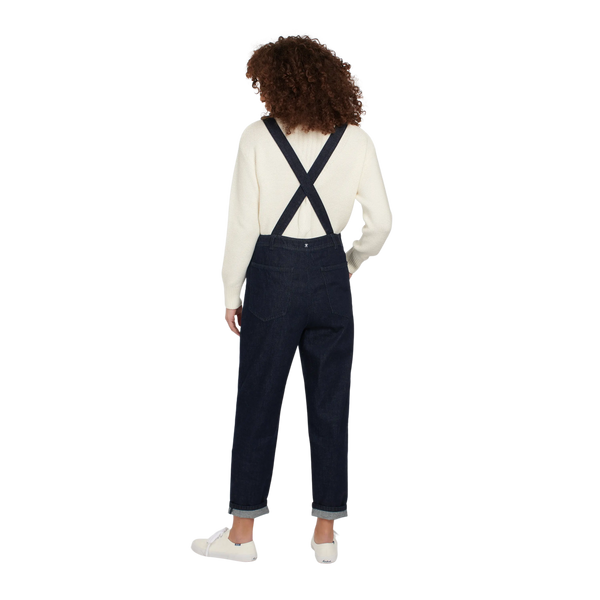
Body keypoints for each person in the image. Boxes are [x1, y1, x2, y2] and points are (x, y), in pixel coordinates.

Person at [190, 29, 395, 567]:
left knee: (259, 399)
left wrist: (229, 294)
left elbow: (240, 225)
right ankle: (326, 535)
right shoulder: (357, 140)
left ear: (275, 82)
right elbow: (382, 223)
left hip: (272, 279)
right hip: (330, 278)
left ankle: (241, 537)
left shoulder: (255, 137)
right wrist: (348, 263)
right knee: (331, 404)